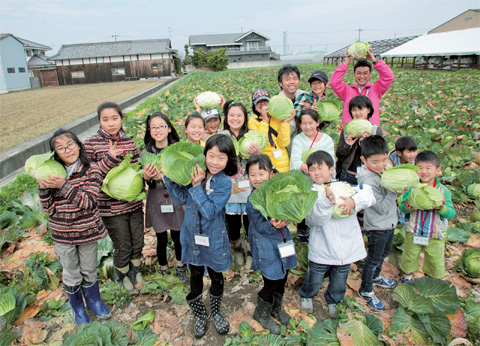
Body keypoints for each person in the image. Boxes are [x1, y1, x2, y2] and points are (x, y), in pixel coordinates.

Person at [163, 134, 238, 339]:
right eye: (211, 156)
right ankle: (199, 314)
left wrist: (197, 187)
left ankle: (215, 311)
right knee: (195, 274)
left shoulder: (223, 183)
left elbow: (211, 211)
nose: (214, 162)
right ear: (204, 155)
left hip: (213, 238)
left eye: (221, 158)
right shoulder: (194, 173)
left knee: (215, 274)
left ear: (228, 160)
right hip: (191, 235)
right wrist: (168, 176)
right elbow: (179, 198)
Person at [38, 129, 112, 325]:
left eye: (70, 145)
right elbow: (49, 209)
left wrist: (63, 186)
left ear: (79, 145)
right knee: (71, 273)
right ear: (55, 153)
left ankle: (94, 302)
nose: (67, 150)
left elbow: (88, 201)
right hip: (63, 235)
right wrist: (43, 188)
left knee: (89, 269)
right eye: (61, 148)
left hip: (87, 232)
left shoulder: (92, 170)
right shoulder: (51, 174)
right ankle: (78, 309)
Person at [299, 150, 375, 317]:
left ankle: (334, 299)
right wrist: (326, 202)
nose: (316, 172)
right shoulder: (310, 193)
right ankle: (307, 294)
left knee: (340, 279)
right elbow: (313, 220)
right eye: (312, 169)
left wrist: (353, 201)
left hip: (346, 247)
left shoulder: (345, 186)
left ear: (332, 170)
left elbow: (369, 194)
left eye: (320, 168)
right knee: (315, 276)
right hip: (323, 246)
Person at [84, 102, 145, 294]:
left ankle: (136, 271)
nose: (111, 123)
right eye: (105, 119)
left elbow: (136, 169)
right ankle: (122, 275)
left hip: (133, 202)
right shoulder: (91, 144)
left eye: (115, 118)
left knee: (138, 240)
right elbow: (88, 175)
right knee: (123, 244)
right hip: (110, 207)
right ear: (99, 121)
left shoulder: (128, 141)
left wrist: (144, 181)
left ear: (121, 119)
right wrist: (109, 158)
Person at [246, 154, 296, 334]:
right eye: (252, 175)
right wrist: (271, 224)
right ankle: (262, 313)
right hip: (265, 246)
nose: (257, 179)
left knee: (283, 277)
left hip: (284, 242)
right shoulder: (252, 201)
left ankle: (276, 309)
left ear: (271, 174)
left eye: (261, 173)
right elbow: (258, 226)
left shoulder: (279, 191)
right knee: (271, 281)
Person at [356, 135, 401, 310]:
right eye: (375, 162)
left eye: (384, 160)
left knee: (383, 255)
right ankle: (366, 289)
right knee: (373, 259)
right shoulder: (367, 181)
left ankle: (376, 277)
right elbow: (381, 208)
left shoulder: (384, 168)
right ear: (364, 160)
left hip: (390, 223)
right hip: (377, 227)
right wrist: (394, 191)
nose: (381, 165)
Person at [141, 112, 187, 281]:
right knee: (160, 236)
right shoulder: (145, 153)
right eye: (154, 127)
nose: (158, 130)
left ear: (169, 129)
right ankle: (163, 268)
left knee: (177, 234)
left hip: (174, 196)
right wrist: (146, 176)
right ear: (149, 130)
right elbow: (143, 183)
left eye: (161, 126)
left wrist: (167, 177)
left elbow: (185, 175)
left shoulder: (178, 149)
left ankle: (181, 265)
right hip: (156, 197)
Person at [399, 151, 455, 285]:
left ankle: (432, 279)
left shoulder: (443, 192)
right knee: (409, 255)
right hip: (414, 230)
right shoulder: (411, 189)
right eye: (419, 168)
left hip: (435, 234)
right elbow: (402, 207)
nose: (423, 172)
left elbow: (451, 213)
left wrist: (441, 207)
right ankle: (407, 276)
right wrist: (407, 207)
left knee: (435, 258)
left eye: (428, 168)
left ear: (438, 170)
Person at [218, 100, 260, 269]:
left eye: (239, 115)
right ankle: (237, 249)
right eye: (232, 115)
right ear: (226, 117)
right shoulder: (221, 137)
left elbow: (259, 163)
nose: (235, 118)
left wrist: (256, 154)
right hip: (229, 189)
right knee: (233, 224)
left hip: (248, 187)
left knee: (250, 222)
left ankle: (250, 251)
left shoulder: (252, 136)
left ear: (245, 117)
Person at [290, 108, 335, 242]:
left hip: (323, 178)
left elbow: (330, 161)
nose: (307, 127)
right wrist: (307, 168)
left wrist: (322, 174)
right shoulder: (298, 139)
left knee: (322, 204)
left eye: (311, 123)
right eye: (304, 123)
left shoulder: (326, 140)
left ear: (317, 123)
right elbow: (296, 161)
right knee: (304, 205)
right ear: (299, 125)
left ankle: (322, 231)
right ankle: (303, 230)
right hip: (305, 177)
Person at [330, 47, 394, 128]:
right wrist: (346, 62)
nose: (362, 76)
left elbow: (389, 77)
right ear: (354, 74)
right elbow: (334, 82)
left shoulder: (376, 90)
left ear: (370, 74)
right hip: (350, 132)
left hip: (370, 133)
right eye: (359, 73)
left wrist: (374, 60)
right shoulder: (347, 91)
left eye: (365, 73)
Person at [336, 96, 383, 185]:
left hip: (369, 176)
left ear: (369, 110)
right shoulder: (347, 129)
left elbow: (380, 155)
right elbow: (339, 154)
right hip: (348, 174)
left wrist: (366, 143)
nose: (357, 113)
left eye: (360, 109)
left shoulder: (375, 130)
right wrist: (347, 145)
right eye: (354, 110)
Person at [248, 89, 294, 173]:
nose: (262, 104)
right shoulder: (252, 122)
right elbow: (261, 143)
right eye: (259, 102)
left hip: (283, 163)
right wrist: (264, 120)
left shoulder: (278, 118)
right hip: (265, 163)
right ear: (254, 105)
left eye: (265, 101)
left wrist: (285, 122)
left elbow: (284, 143)